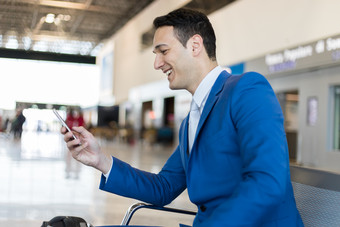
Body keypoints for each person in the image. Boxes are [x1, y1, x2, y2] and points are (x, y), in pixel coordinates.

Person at [62, 8, 303, 226]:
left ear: (195, 45)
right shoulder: (192, 119)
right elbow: (164, 187)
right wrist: (100, 161)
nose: (157, 64)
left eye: (163, 51)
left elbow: (267, 181)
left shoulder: (247, 89)